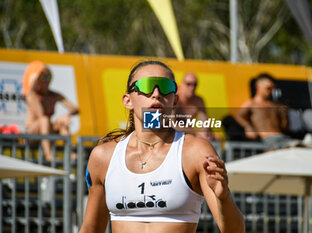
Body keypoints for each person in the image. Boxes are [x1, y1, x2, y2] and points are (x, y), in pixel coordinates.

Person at [79, 60, 244, 233]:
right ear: (128, 100)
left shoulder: (195, 151)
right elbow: (90, 229)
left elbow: (235, 231)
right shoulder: (103, 156)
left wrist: (224, 199)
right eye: (146, 86)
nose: (156, 94)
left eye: (166, 87)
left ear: (174, 100)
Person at [23, 61, 79, 160]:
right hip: (32, 134)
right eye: (42, 78)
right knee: (44, 120)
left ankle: (71, 153)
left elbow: (75, 109)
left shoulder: (53, 95)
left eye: (48, 78)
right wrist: (33, 84)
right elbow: (40, 114)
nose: (45, 81)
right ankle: (49, 155)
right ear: (36, 80)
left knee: (61, 123)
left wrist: (66, 116)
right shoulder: (32, 95)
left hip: (46, 131)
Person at [235, 73, 292, 149]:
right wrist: (247, 127)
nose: (271, 91)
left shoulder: (275, 105)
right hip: (266, 140)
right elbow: (238, 116)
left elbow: (285, 127)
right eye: (268, 88)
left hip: (282, 137)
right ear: (258, 85)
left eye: (272, 88)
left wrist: (285, 116)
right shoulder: (252, 103)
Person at [175, 72, 215, 140]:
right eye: (188, 84)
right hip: (172, 135)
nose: (192, 87)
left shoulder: (198, 101)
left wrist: (206, 133)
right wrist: (197, 132)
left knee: (216, 138)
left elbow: (205, 123)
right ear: (182, 84)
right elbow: (172, 125)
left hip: (189, 135)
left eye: (195, 84)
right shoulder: (175, 98)